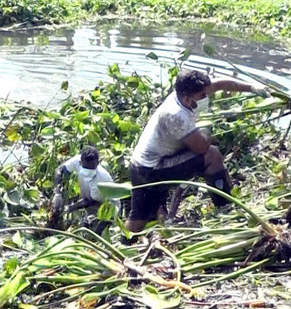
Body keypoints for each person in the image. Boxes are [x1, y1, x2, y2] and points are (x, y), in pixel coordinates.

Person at [125, 69, 262, 234]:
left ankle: (127, 243)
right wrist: (205, 129)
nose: (206, 98)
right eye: (202, 96)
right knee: (212, 154)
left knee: (140, 217)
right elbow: (201, 147)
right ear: (187, 98)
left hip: (140, 163)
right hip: (153, 169)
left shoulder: (187, 94)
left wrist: (252, 88)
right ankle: (224, 206)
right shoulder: (175, 115)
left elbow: (219, 84)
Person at [51, 146, 114, 220]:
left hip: (106, 207)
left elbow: (91, 201)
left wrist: (70, 208)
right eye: (86, 167)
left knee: (93, 223)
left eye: (91, 168)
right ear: (81, 162)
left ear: (97, 163)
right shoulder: (77, 161)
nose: (88, 171)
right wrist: (57, 192)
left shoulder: (102, 179)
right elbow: (60, 170)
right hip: (89, 199)